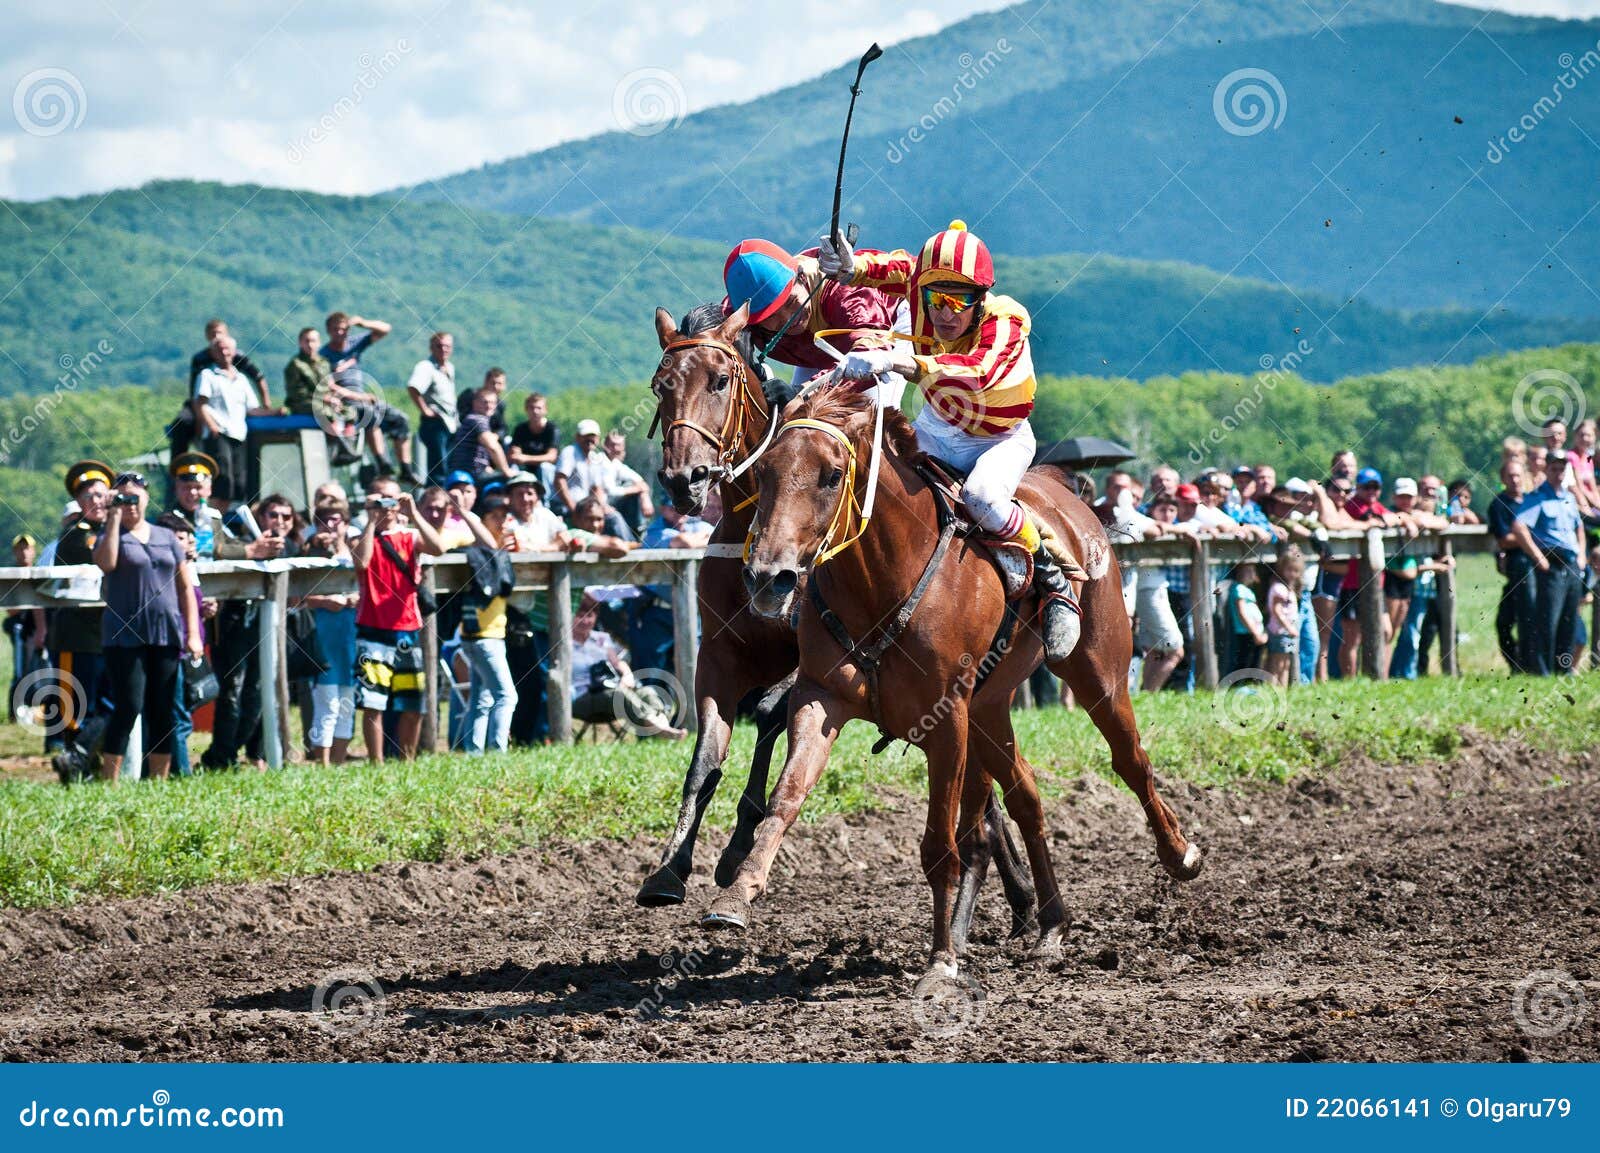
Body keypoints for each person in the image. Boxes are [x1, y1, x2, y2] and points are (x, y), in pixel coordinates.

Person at [820, 220, 1079, 661]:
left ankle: (1055, 584)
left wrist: (897, 361)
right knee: (876, 477)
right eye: (934, 298)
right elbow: (901, 267)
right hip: (940, 426)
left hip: (1000, 437)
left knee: (980, 498)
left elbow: (977, 371)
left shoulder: (1007, 320)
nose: (943, 312)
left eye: (957, 301)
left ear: (980, 299)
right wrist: (851, 268)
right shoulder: (927, 294)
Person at [92, 473, 203, 784]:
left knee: (163, 708)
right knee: (129, 705)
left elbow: (185, 589)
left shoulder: (166, 537)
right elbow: (106, 563)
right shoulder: (109, 536)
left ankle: (158, 781)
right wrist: (113, 518)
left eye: (134, 496)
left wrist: (192, 633)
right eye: (123, 497)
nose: (130, 503)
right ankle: (110, 780)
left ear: (146, 497)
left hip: (166, 633)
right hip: (123, 635)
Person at [721, 236, 902, 391]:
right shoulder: (739, 313)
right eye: (770, 316)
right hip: (820, 351)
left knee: (870, 412)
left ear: (801, 276)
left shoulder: (844, 293)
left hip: (886, 335)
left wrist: (802, 391)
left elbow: (870, 360)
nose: (787, 319)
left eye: (791, 302)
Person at [352, 475, 446, 762]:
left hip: (407, 628)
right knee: (373, 702)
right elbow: (361, 561)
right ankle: (376, 763)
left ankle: (407, 761)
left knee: (413, 702)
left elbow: (439, 548)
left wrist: (413, 511)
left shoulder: (410, 535)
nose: (387, 506)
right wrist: (371, 519)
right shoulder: (361, 536)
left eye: (392, 499)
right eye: (381, 499)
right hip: (372, 629)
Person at [47, 461, 115, 751]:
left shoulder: (115, 529)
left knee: (110, 703)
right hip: (78, 636)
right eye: (90, 497)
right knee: (76, 706)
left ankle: (86, 758)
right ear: (78, 502)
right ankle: (74, 759)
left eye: (102, 495)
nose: (98, 502)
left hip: (111, 633)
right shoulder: (75, 534)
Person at [171, 321, 270, 495]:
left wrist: (267, 406)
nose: (217, 338)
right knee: (181, 423)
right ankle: (177, 467)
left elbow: (259, 378)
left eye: (220, 333)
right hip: (202, 403)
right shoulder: (201, 360)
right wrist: (204, 423)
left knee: (238, 480)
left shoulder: (237, 357)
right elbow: (196, 395)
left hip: (233, 415)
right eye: (212, 334)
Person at [454, 493, 519, 753]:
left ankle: (474, 751)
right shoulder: (479, 548)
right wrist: (463, 510)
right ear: (482, 521)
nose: (502, 523)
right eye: (496, 518)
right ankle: (497, 750)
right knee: (507, 696)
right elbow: (489, 543)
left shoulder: (497, 550)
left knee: (482, 700)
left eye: (505, 517)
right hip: (484, 637)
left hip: (485, 636)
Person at [569, 595, 685, 739]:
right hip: (582, 697)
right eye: (580, 616)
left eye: (590, 616)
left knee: (648, 692)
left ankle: (659, 728)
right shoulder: (564, 644)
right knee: (620, 695)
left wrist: (627, 675)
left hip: (611, 689)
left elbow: (618, 662)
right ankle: (660, 729)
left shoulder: (601, 639)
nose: (585, 621)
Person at [297, 499, 360, 765]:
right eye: (325, 520)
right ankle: (321, 763)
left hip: (350, 634)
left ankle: (338, 761)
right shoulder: (311, 553)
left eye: (337, 520)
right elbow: (298, 597)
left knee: (347, 702)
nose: (331, 525)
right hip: (322, 634)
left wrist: (357, 597)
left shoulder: (357, 552)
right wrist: (325, 601)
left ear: (347, 524)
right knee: (327, 703)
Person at [1516, 450, 1588, 676]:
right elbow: (1519, 527)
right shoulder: (1537, 497)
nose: (1558, 473)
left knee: (1569, 617)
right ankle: (1542, 669)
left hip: (1572, 561)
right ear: (1546, 469)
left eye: (1561, 469)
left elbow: (1579, 527)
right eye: (1554, 469)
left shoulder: (1568, 497)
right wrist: (1537, 557)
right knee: (1548, 618)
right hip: (1551, 561)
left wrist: (1582, 554)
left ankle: (1564, 668)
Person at [193, 333, 271, 508]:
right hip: (218, 434)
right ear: (213, 353)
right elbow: (201, 403)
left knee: (238, 484)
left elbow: (252, 409)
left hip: (239, 435)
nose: (224, 352)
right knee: (222, 482)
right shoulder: (207, 375)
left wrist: (273, 413)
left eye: (227, 349)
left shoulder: (241, 379)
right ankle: (212, 520)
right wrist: (212, 426)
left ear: (234, 352)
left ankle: (226, 519)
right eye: (219, 349)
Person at [1488, 458, 1537, 673]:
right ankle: (1517, 665)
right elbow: (1504, 540)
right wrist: (1530, 538)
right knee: (1505, 622)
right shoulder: (1498, 505)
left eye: (1518, 475)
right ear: (1503, 479)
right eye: (1510, 476)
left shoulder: (1533, 501)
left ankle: (1531, 664)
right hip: (1517, 565)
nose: (1515, 480)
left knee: (1530, 617)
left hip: (1536, 565)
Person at [408, 332, 459, 485]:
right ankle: (435, 499)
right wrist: (425, 409)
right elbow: (413, 387)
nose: (443, 349)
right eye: (439, 346)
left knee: (448, 464)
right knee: (439, 467)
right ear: (431, 348)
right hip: (435, 423)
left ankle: (444, 497)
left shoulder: (449, 367)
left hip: (450, 423)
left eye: (447, 346)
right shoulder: (426, 367)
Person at [6, 534, 45, 724]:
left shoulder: (39, 574)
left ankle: (33, 712)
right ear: (14, 551)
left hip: (40, 630)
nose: (24, 552)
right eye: (20, 548)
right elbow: (10, 609)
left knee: (38, 670)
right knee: (21, 670)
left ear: (33, 550)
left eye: (27, 547)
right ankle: (16, 714)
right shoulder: (10, 576)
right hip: (21, 629)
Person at [447, 383, 512, 481]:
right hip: (469, 473)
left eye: (493, 403)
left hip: (470, 470)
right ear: (475, 403)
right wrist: (506, 471)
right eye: (485, 402)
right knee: (515, 481)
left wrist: (486, 467)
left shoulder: (473, 419)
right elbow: (493, 447)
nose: (489, 406)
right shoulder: (477, 420)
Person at [1263, 547, 1304, 688]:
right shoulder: (1279, 588)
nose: (1292, 574)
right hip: (1280, 632)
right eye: (1289, 570)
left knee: (1286, 663)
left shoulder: (1289, 588)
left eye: (1296, 571)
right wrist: (1289, 628)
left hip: (1287, 631)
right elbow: (1277, 611)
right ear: (1282, 568)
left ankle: (1283, 689)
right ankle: (1274, 689)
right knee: (1277, 663)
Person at [600, 429, 653, 534]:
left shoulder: (615, 463)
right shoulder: (601, 461)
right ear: (605, 445)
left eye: (619, 445)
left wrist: (644, 496)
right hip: (601, 505)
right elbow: (611, 491)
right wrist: (636, 489)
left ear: (623, 447)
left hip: (613, 505)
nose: (615, 448)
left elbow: (639, 480)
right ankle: (638, 532)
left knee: (634, 486)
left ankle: (639, 530)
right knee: (632, 488)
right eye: (612, 445)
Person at [508, 393, 560, 489]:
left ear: (545, 410)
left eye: (539, 408)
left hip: (545, 472)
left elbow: (552, 457)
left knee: (545, 467)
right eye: (531, 408)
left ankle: (545, 500)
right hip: (524, 468)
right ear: (526, 409)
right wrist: (521, 458)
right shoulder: (520, 429)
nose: (535, 411)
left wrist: (526, 458)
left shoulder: (552, 429)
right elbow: (514, 454)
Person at [458, 367, 509, 440]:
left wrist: (496, 436)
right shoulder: (470, 395)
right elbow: (460, 416)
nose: (495, 387)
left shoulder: (500, 404)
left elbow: (503, 428)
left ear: (504, 386)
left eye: (499, 383)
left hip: (489, 439)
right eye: (493, 383)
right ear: (486, 382)